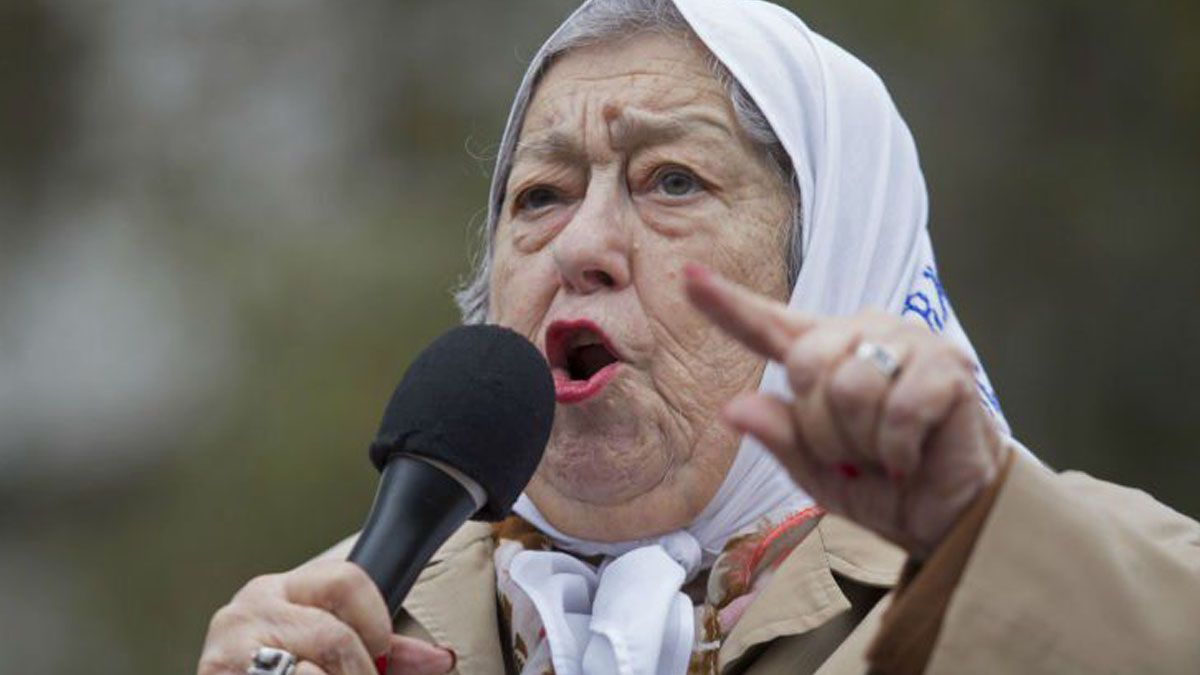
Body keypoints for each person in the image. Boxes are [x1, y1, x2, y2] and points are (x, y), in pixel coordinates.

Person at [197, 1, 1200, 674]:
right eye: (539, 195)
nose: (580, 245)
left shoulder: (1052, 566)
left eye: (672, 180)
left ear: (837, 266)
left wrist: (978, 542)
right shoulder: (340, 626)